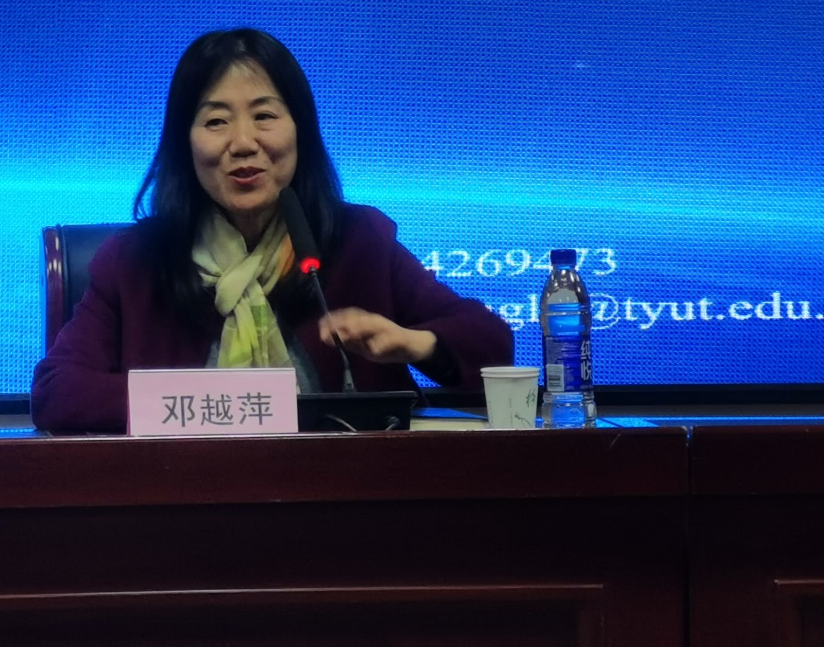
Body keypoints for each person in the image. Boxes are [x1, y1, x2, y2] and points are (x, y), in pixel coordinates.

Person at [31, 29, 513, 433]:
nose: (243, 143)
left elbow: (493, 346)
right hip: (184, 499)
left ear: (300, 130)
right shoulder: (134, 261)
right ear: (185, 143)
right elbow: (57, 392)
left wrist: (413, 342)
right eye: (216, 121)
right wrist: (207, 404)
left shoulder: (358, 240)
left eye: (264, 116)